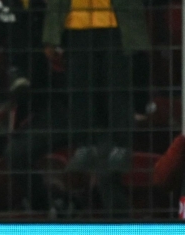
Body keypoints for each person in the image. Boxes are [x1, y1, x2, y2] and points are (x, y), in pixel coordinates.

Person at [42, 0, 150, 216]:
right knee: (81, 90)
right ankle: (85, 145)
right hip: (77, 24)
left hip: (114, 23)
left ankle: (120, 146)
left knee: (117, 89)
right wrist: (51, 35)